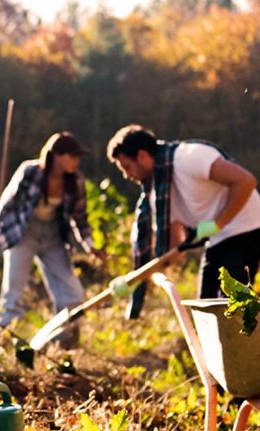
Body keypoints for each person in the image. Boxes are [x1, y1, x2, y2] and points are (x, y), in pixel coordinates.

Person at [106, 125, 260, 315]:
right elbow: (174, 251)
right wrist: (134, 280)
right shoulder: (159, 195)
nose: (126, 175)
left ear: (142, 156)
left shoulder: (189, 158)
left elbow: (245, 181)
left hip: (247, 227)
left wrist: (218, 223)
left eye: (126, 167)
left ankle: (240, 343)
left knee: (230, 307)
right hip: (217, 239)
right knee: (205, 306)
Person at [0, 132, 104, 332]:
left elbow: (80, 217)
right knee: (13, 290)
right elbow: (9, 200)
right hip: (24, 232)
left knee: (72, 292)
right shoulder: (30, 171)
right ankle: (4, 336)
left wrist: (90, 245)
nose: (76, 161)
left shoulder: (75, 181)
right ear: (56, 155)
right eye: (72, 156)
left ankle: (65, 335)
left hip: (54, 236)